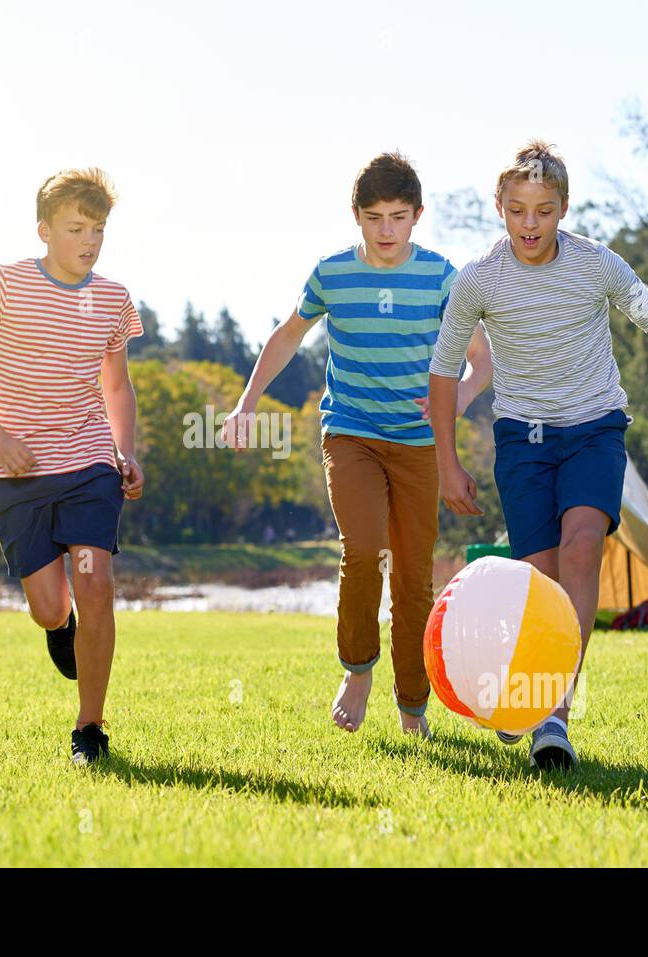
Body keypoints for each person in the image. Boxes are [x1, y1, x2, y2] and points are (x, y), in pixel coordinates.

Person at [428, 140, 648, 769]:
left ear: (563, 209)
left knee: (583, 548)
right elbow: (444, 374)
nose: (531, 224)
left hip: (594, 429)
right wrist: (448, 463)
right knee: (540, 578)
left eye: (544, 211)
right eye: (519, 210)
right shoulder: (478, 279)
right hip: (521, 441)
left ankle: (554, 712)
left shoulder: (598, 265)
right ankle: (523, 688)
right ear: (499, 208)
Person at [224, 152, 491, 739]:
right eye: (374, 218)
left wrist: (461, 399)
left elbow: (481, 358)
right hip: (351, 434)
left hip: (420, 442)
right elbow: (289, 334)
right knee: (364, 548)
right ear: (356, 216)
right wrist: (247, 404)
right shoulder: (332, 274)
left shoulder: (442, 276)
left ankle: (413, 704)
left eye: (398, 216)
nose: (387, 230)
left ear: (417, 216)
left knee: (416, 576)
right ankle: (357, 669)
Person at [0, 167, 144, 766]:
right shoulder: (2, 286)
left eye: (99, 229)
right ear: (45, 230)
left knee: (96, 582)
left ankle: (90, 728)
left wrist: (125, 450)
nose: (90, 240)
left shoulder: (113, 299)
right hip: (19, 475)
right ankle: (61, 629)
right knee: (50, 606)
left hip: (88, 465)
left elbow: (118, 386)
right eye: (76, 227)